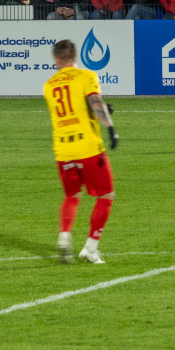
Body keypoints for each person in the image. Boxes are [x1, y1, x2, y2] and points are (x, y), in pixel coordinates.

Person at [44, 39, 118, 265]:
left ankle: (64, 238)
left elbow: (72, 107)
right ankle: (90, 248)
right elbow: (94, 102)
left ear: (57, 59)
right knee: (106, 195)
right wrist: (111, 128)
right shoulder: (86, 76)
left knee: (71, 196)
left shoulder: (49, 84)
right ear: (74, 56)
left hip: (62, 149)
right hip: (87, 146)